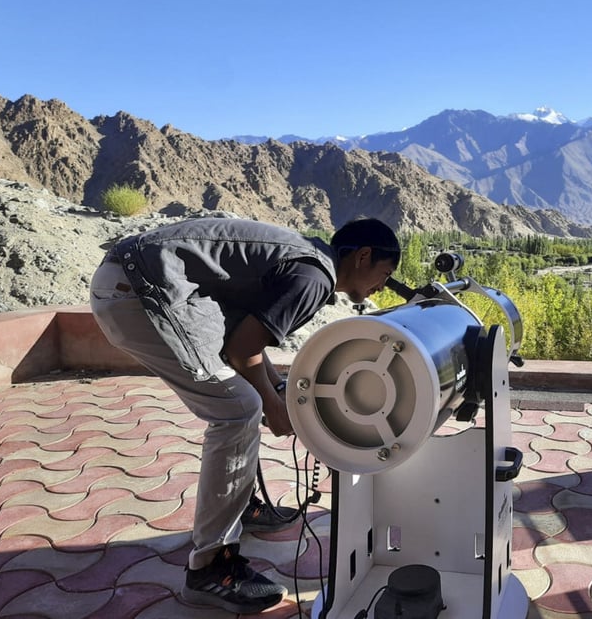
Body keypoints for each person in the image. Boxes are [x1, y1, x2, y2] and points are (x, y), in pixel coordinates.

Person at [90, 216, 400, 613]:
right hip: (137, 290)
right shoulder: (314, 278)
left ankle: (242, 505)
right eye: (384, 274)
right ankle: (210, 568)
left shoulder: (305, 260)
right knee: (239, 409)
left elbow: (246, 341)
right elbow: (242, 351)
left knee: (245, 399)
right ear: (363, 256)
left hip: (131, 280)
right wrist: (273, 404)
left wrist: (278, 390)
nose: (381, 286)